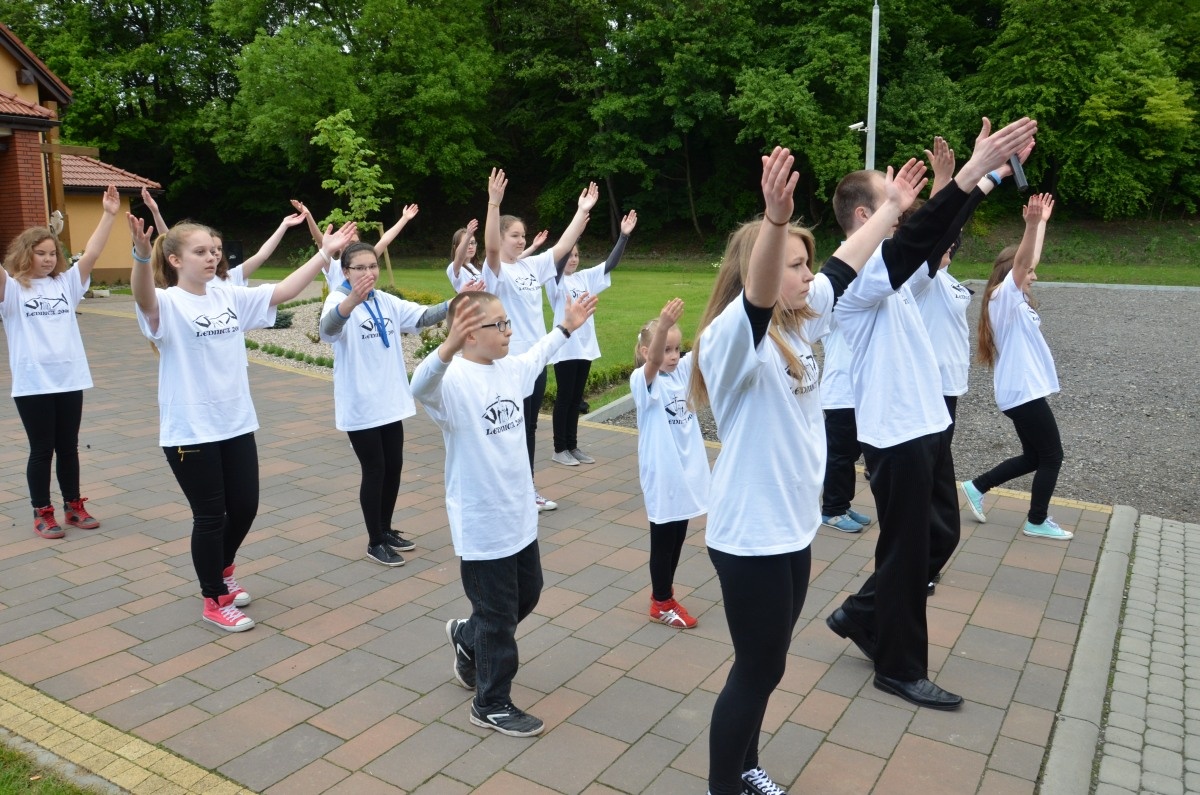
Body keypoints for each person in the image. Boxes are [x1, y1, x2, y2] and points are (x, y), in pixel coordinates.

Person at [690, 147, 927, 795]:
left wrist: (892, 210)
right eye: (793, 264)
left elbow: (843, 266)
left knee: (767, 664)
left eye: (803, 262)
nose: (805, 273)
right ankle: (723, 786)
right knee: (757, 668)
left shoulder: (798, 323)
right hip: (751, 536)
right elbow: (760, 293)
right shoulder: (733, 338)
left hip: (790, 529)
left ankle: (745, 767)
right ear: (761, 270)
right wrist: (774, 221)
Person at [823, 117, 1037, 712]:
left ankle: (862, 613)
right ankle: (898, 667)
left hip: (925, 426)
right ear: (865, 217)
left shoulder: (890, 265)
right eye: (890, 197)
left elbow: (935, 233)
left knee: (939, 533)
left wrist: (989, 177)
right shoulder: (856, 274)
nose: (903, 202)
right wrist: (970, 173)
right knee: (907, 552)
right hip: (895, 435)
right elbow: (915, 240)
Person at [129, 212, 356, 632]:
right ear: (175, 260)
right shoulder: (168, 303)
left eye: (213, 251)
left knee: (245, 507)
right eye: (200, 252)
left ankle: (223, 568)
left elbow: (283, 290)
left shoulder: (227, 295)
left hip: (235, 423)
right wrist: (141, 258)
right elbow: (143, 299)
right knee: (210, 516)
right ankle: (214, 598)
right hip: (190, 430)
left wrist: (325, 253)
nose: (211, 257)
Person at [412, 288, 598, 737]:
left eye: (507, 321)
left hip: (519, 517)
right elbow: (419, 385)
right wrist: (446, 347)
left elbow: (538, 353)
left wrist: (566, 326)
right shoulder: (452, 383)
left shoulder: (509, 369)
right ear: (468, 333)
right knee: (498, 619)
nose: (508, 331)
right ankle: (490, 702)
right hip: (482, 524)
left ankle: (466, 636)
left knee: (527, 595)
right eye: (498, 324)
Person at [319, 241, 453, 566]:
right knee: (375, 469)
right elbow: (327, 329)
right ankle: (374, 541)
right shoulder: (338, 300)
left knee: (394, 467)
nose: (368, 273)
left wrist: (456, 301)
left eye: (372, 266)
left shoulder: (384, 300)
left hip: (390, 401)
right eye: (360, 268)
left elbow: (422, 317)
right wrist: (352, 300)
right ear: (346, 271)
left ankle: (386, 528)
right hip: (361, 405)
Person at [1, 185, 121, 538]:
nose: (48, 259)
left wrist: (109, 215)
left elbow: (92, 253)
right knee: (42, 449)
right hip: (33, 384)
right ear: (25, 254)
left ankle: (73, 506)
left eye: (53, 253)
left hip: (69, 379)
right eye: (40, 253)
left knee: (68, 447)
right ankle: (42, 512)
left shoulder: (66, 285)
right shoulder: (12, 290)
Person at [482, 168, 598, 511]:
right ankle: (510, 490)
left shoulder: (531, 267)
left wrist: (581, 210)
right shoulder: (496, 271)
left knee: (529, 427)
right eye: (515, 236)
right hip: (510, 362)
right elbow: (490, 249)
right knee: (512, 428)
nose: (521, 241)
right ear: (501, 237)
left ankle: (525, 488)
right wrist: (493, 204)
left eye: (523, 236)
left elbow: (562, 247)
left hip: (537, 359)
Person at [960, 193, 1071, 540]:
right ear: (1013, 271)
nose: (1034, 275)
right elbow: (1024, 261)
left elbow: (1028, 259)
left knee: (1035, 457)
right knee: (1052, 456)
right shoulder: (1004, 295)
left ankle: (977, 486)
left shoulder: (1014, 296)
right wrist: (1031, 226)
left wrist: (1041, 225)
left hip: (1021, 391)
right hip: (1022, 392)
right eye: (1029, 271)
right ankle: (1037, 520)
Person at [632, 296, 709, 628]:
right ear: (647, 351)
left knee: (677, 537)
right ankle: (661, 602)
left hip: (685, 473)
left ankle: (665, 594)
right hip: (663, 475)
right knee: (663, 541)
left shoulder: (681, 373)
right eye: (666, 349)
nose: (674, 355)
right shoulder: (643, 381)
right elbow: (652, 364)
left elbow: (709, 339)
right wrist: (662, 326)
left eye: (677, 349)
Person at [547, 209, 638, 466]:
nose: (573, 259)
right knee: (565, 398)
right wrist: (574, 233)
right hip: (565, 347)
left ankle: (572, 446)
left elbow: (610, 265)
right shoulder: (554, 280)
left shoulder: (584, 278)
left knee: (576, 399)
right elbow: (558, 261)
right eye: (569, 255)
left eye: (576, 255)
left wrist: (623, 236)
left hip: (585, 348)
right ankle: (559, 449)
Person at [140, 188, 309, 285]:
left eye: (217, 249)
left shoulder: (232, 277)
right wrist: (155, 212)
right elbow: (171, 240)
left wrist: (283, 225)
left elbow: (262, 255)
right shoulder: (189, 282)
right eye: (202, 251)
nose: (214, 254)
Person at [446, 219, 547, 293]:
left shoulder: (479, 267)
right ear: (456, 247)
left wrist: (533, 246)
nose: (470, 246)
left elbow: (513, 260)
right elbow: (459, 257)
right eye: (466, 243)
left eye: (472, 243)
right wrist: (468, 235)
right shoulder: (454, 268)